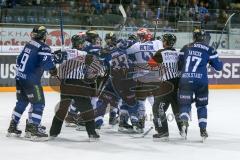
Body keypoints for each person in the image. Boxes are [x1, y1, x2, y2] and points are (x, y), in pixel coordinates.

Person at [7, 25, 57, 140]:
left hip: (20, 77)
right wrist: (54, 69)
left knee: (22, 102)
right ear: (43, 35)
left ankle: (12, 127)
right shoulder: (44, 47)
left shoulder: (29, 44)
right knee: (39, 103)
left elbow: (19, 59)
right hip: (31, 81)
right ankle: (34, 129)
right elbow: (47, 65)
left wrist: (51, 56)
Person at [178, 28, 223, 141]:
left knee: (185, 104)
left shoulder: (185, 47)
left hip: (185, 79)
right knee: (202, 106)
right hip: (201, 81)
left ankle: (184, 123)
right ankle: (203, 130)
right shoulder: (210, 49)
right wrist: (214, 60)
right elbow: (219, 67)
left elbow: (179, 65)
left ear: (194, 37)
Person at [148, 33, 183, 140]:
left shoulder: (160, 53)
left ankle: (163, 132)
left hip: (165, 86)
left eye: (163, 40)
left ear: (165, 42)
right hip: (177, 85)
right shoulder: (177, 53)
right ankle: (183, 130)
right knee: (177, 109)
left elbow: (150, 65)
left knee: (158, 108)